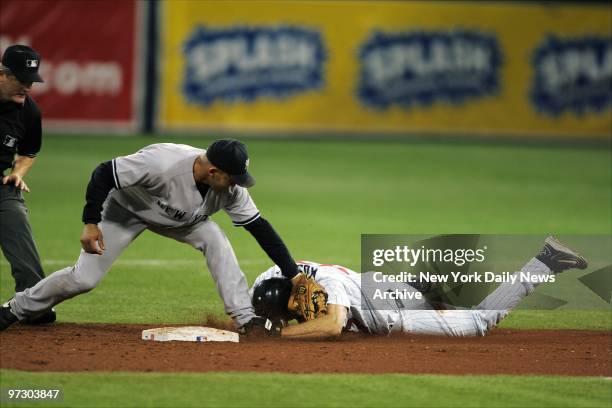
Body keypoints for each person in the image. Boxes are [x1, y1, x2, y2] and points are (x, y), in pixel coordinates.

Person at [0, 139, 303, 333]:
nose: (238, 185)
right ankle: (16, 308)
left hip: (185, 221)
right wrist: (90, 222)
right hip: (125, 211)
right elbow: (104, 172)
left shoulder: (232, 190)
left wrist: (294, 274)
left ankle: (245, 319)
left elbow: (259, 227)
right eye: (233, 178)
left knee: (216, 240)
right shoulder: (162, 162)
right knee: (84, 280)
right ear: (213, 171)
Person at [249, 236, 588, 339]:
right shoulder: (280, 278)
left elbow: (332, 325)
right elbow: (263, 299)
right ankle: (427, 286)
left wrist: (279, 335)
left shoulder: (327, 284)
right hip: (380, 288)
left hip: (390, 312)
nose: (296, 314)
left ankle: (546, 261)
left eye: (294, 308)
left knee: (477, 323)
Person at [0, 44, 55, 324]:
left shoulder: (29, 112)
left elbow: (29, 152)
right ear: (2, 74)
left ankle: (33, 300)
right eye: (22, 80)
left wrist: (18, 172)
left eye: (31, 81)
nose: (28, 87)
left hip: (1, 184)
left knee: (15, 215)